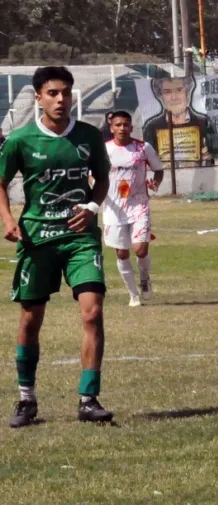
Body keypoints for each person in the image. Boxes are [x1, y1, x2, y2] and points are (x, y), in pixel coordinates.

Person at [0, 66, 115, 427]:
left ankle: (88, 398)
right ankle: (26, 399)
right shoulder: (20, 140)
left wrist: (92, 207)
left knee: (92, 313)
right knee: (31, 318)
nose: (61, 99)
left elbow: (103, 177)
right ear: (38, 97)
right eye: (53, 93)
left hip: (81, 238)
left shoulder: (88, 136)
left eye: (66, 92)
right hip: (37, 238)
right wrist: (7, 219)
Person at [103, 110, 164, 307]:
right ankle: (133, 295)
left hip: (139, 204)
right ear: (112, 128)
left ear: (131, 126)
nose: (122, 128)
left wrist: (155, 182)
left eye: (126, 124)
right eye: (118, 125)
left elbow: (158, 169)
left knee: (140, 249)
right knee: (121, 253)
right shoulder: (104, 150)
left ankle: (145, 278)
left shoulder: (143, 148)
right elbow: (92, 174)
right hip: (114, 208)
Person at [141, 76, 210, 164]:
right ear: (161, 97)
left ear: (187, 94)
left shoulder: (203, 123)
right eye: (167, 92)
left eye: (179, 90)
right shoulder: (151, 127)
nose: (174, 97)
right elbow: (147, 158)